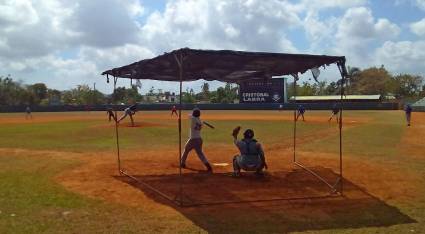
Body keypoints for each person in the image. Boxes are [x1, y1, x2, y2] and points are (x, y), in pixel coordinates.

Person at [180, 108, 212, 172]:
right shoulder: (199, 121)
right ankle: (208, 166)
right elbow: (195, 118)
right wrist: (200, 121)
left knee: (186, 150)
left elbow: (189, 115)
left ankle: (182, 163)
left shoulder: (193, 119)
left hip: (193, 139)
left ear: (194, 114)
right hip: (199, 139)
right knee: (200, 154)